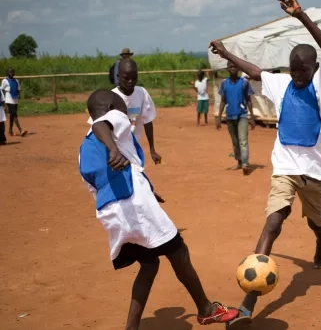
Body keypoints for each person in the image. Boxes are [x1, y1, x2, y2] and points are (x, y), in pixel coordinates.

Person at [209, 0, 321, 325]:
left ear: (314, 69)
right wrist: (225, 52)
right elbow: (255, 72)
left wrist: (301, 16)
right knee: (273, 223)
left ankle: (320, 239)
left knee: (315, 219)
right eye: (294, 69)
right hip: (285, 167)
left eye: (304, 70)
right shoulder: (282, 83)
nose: (298, 75)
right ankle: (247, 306)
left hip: (314, 170)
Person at [79, 89, 239, 329]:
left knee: (150, 263)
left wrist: (149, 190)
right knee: (179, 252)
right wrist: (113, 150)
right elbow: (104, 123)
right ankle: (206, 310)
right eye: (122, 106)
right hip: (135, 205)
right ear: (112, 107)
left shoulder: (84, 149)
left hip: (111, 212)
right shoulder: (113, 120)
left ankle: (131, 327)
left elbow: (101, 183)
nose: (127, 113)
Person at [92, 59, 162, 164]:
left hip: (131, 149)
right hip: (113, 151)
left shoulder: (142, 94)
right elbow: (98, 125)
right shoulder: (110, 97)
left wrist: (152, 150)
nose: (130, 81)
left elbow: (147, 121)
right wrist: (113, 150)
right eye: (126, 78)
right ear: (118, 76)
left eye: (134, 78)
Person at [216, 61, 256, 175]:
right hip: (229, 116)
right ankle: (239, 162)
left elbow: (249, 100)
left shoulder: (244, 83)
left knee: (243, 140)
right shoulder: (224, 83)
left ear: (238, 68)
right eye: (230, 66)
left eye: (235, 66)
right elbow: (223, 101)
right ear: (227, 68)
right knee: (235, 141)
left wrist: (252, 116)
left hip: (242, 115)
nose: (233, 68)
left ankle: (245, 164)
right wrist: (219, 117)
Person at [1, 67, 27, 137]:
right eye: (9, 72)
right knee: (14, 115)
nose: (11, 73)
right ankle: (21, 130)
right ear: (7, 73)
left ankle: (10, 131)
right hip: (8, 100)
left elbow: (18, 89)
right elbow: (2, 90)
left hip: (15, 100)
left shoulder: (16, 81)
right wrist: (3, 100)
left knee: (12, 116)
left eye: (12, 72)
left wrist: (18, 95)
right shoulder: (4, 81)